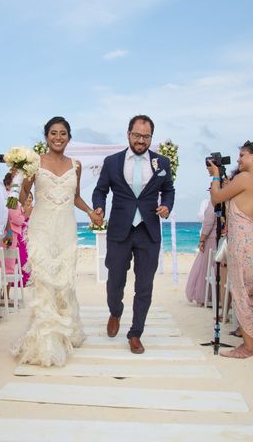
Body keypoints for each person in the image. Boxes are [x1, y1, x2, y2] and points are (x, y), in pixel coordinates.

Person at [12, 116, 97, 366]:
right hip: (41, 227)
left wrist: (91, 212)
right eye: (53, 133)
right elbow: (24, 194)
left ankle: (65, 333)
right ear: (46, 136)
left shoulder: (76, 165)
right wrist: (19, 180)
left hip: (66, 228)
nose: (58, 137)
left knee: (64, 282)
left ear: (69, 137)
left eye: (62, 133)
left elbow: (76, 196)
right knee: (45, 283)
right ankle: (46, 343)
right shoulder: (34, 162)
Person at [92, 115, 175, 354]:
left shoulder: (162, 163)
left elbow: (168, 190)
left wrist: (167, 206)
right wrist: (99, 207)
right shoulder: (112, 162)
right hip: (120, 230)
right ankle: (115, 311)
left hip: (148, 232)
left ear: (151, 137)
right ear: (128, 134)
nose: (141, 140)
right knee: (115, 280)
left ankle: (136, 333)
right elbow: (101, 190)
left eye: (146, 136)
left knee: (145, 285)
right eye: (137, 135)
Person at [208, 141, 253, 358]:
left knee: (241, 291)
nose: (238, 160)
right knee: (251, 291)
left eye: (242, 155)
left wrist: (215, 176)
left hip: (245, 239)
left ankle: (248, 347)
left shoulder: (244, 178)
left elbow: (216, 198)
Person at [185, 189, 217, 306]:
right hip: (219, 239)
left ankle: (204, 296)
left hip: (211, 240)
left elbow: (207, 224)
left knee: (205, 268)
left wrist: (202, 240)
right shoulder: (226, 202)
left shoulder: (212, 203)